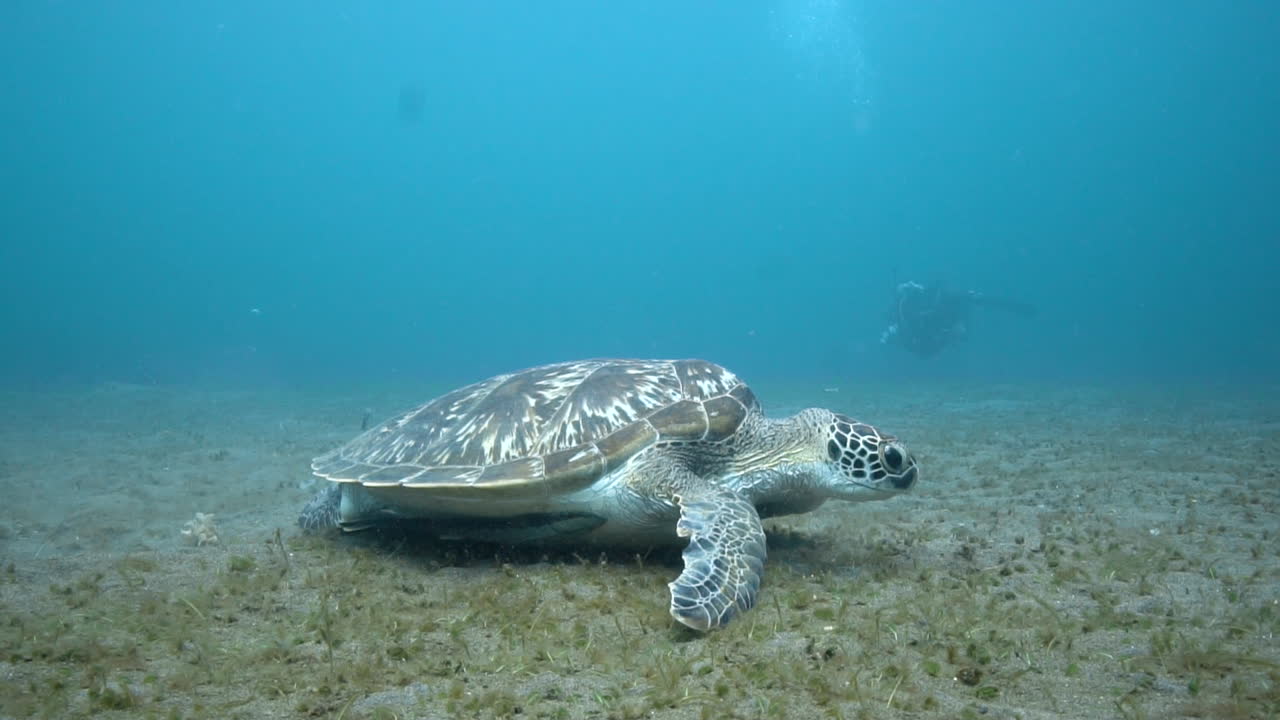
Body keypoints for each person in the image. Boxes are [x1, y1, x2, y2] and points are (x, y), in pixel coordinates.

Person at [880, 281, 1036, 358]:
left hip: (934, 327)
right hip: (927, 334)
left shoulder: (946, 303)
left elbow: (971, 299)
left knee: (967, 302)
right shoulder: (909, 319)